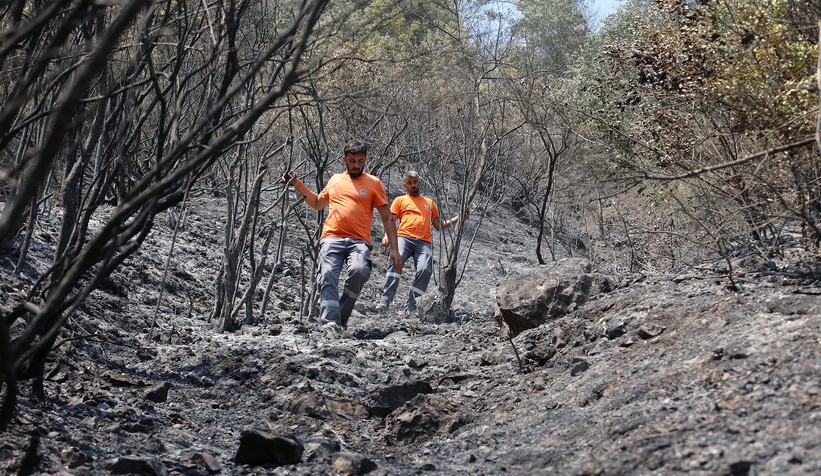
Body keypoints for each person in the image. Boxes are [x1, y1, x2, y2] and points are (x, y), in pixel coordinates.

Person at [284, 140, 402, 335]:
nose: (356, 165)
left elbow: (388, 217)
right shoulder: (335, 180)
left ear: (365, 160)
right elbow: (317, 203)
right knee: (328, 274)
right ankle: (330, 323)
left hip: (359, 241)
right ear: (344, 159)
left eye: (360, 161)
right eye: (353, 161)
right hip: (331, 237)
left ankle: (341, 316)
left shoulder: (373, 183)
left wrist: (395, 249)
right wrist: (297, 183)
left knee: (359, 271)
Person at [375, 171, 468, 316]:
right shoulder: (400, 200)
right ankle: (385, 300)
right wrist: (387, 235)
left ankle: (412, 305)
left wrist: (458, 218)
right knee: (395, 262)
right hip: (404, 238)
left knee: (426, 270)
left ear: (420, 182)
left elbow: (439, 226)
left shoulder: (429, 203)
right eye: (409, 183)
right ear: (405, 185)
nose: (413, 185)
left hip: (424, 242)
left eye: (415, 182)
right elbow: (391, 221)